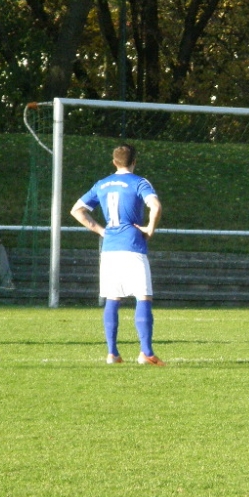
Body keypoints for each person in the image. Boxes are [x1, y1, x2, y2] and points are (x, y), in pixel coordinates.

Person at [70, 144, 164, 366]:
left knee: (113, 298)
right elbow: (156, 207)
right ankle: (146, 353)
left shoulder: (101, 184)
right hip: (132, 246)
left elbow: (76, 210)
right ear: (135, 161)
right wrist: (150, 228)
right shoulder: (139, 182)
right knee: (143, 296)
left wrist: (102, 231)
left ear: (114, 162)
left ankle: (112, 354)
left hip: (110, 249)